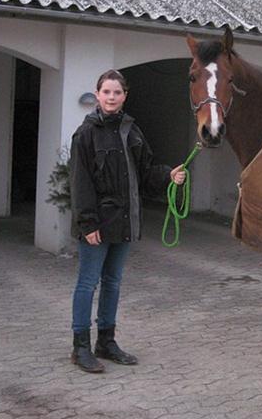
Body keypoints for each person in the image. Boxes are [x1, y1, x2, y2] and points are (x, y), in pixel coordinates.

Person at [69, 69, 186, 373]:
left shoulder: (132, 131)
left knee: (113, 282)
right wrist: (87, 223)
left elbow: (145, 171)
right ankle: (80, 347)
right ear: (97, 95)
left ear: (124, 96)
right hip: (97, 224)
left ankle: (106, 342)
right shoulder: (85, 134)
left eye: (117, 92)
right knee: (87, 283)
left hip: (124, 221)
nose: (111, 97)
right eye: (106, 92)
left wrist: (169, 176)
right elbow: (80, 182)